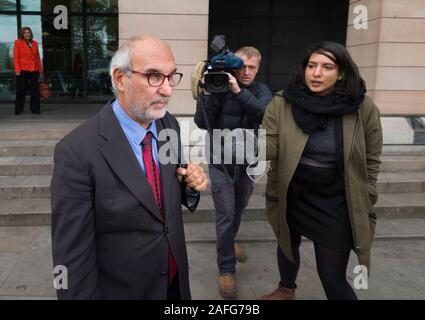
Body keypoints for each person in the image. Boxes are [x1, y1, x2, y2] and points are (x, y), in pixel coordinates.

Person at [51, 35, 208, 300]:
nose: (168, 90)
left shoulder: (168, 124)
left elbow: (165, 195)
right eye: (154, 76)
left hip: (175, 284)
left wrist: (190, 185)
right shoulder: (75, 152)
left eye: (171, 77)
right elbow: (71, 259)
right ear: (120, 79)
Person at [260, 41, 383, 300]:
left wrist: (368, 192)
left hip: (336, 199)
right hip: (293, 190)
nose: (316, 73)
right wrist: (247, 146)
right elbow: (270, 143)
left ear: (341, 72)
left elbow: (371, 157)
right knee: (286, 245)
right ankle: (286, 289)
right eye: (312, 65)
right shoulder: (283, 102)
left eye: (327, 67)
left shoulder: (362, 107)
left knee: (332, 277)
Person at [194, 46, 272, 298]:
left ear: (258, 68)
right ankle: (226, 270)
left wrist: (238, 92)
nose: (246, 72)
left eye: (252, 67)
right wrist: (207, 93)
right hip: (220, 164)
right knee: (226, 214)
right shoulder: (219, 86)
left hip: (249, 164)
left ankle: (229, 241)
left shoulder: (261, 91)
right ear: (234, 66)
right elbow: (202, 123)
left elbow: (264, 115)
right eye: (242, 67)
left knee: (238, 210)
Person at [13, 27, 43, 115]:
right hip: (23, 69)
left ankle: (35, 108)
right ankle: (18, 109)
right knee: (21, 89)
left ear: (31, 34)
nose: (27, 34)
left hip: (34, 69)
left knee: (35, 89)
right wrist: (17, 70)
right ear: (22, 34)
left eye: (28, 32)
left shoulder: (35, 43)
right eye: (25, 33)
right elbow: (16, 58)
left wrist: (40, 70)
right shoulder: (18, 42)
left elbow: (37, 57)